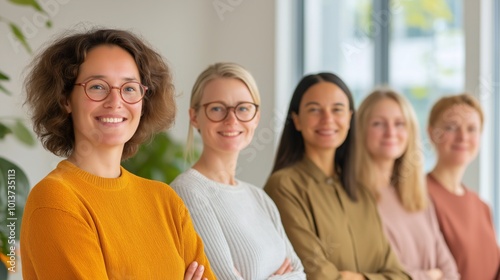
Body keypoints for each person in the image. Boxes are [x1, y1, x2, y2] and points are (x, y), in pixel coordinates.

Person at [20, 28, 215, 279]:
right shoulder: (56, 200)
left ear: (144, 101)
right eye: (98, 86)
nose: (115, 101)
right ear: (65, 99)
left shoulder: (165, 201)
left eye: (130, 88)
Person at [264, 73, 410, 280]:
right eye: (314, 109)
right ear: (296, 120)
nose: (328, 119)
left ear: (350, 118)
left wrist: (354, 277)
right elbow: (317, 275)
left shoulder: (362, 192)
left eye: (337, 109)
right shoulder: (284, 186)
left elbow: (402, 276)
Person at [170, 62, 306, 280]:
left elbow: (301, 274)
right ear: (194, 116)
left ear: (256, 118)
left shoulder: (259, 198)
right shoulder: (187, 192)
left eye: (243, 108)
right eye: (217, 108)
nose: (231, 120)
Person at [354, 88, 459, 280]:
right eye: (378, 124)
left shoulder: (420, 198)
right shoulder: (353, 199)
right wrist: (431, 276)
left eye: (400, 124)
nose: (391, 132)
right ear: (361, 130)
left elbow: (450, 272)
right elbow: (376, 274)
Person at [426, 93, 500, 280]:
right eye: (451, 127)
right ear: (431, 133)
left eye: (472, 129)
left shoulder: (482, 207)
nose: (463, 136)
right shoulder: (418, 196)